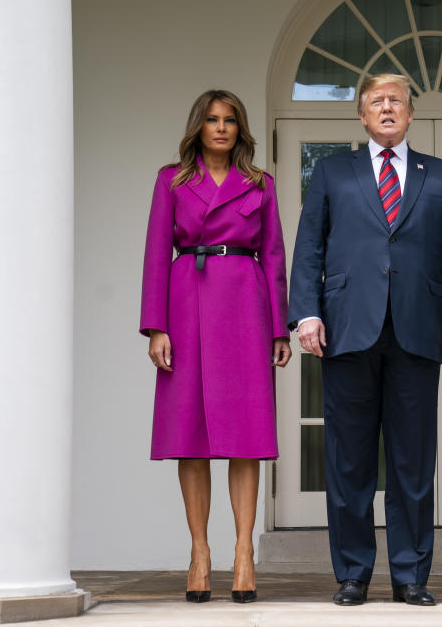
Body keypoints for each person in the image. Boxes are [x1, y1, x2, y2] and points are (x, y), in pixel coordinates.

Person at [288, 74, 442, 607]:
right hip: (347, 328)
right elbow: (309, 250)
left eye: (396, 100)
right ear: (362, 116)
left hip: (417, 331)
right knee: (349, 460)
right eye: (377, 101)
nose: (387, 108)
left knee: (413, 461)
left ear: (411, 114)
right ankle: (352, 573)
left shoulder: (441, 177)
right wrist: (305, 314)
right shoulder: (331, 172)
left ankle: (411, 575)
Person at [140, 90, 292, 604]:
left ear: (240, 129)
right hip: (185, 304)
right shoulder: (172, 180)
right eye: (212, 119)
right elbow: (158, 252)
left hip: (245, 306)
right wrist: (156, 326)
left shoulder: (260, 184)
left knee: (245, 432)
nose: (221, 128)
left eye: (230, 120)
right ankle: (200, 551)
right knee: (191, 432)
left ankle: (244, 553)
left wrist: (279, 329)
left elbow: (273, 256)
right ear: (198, 127)